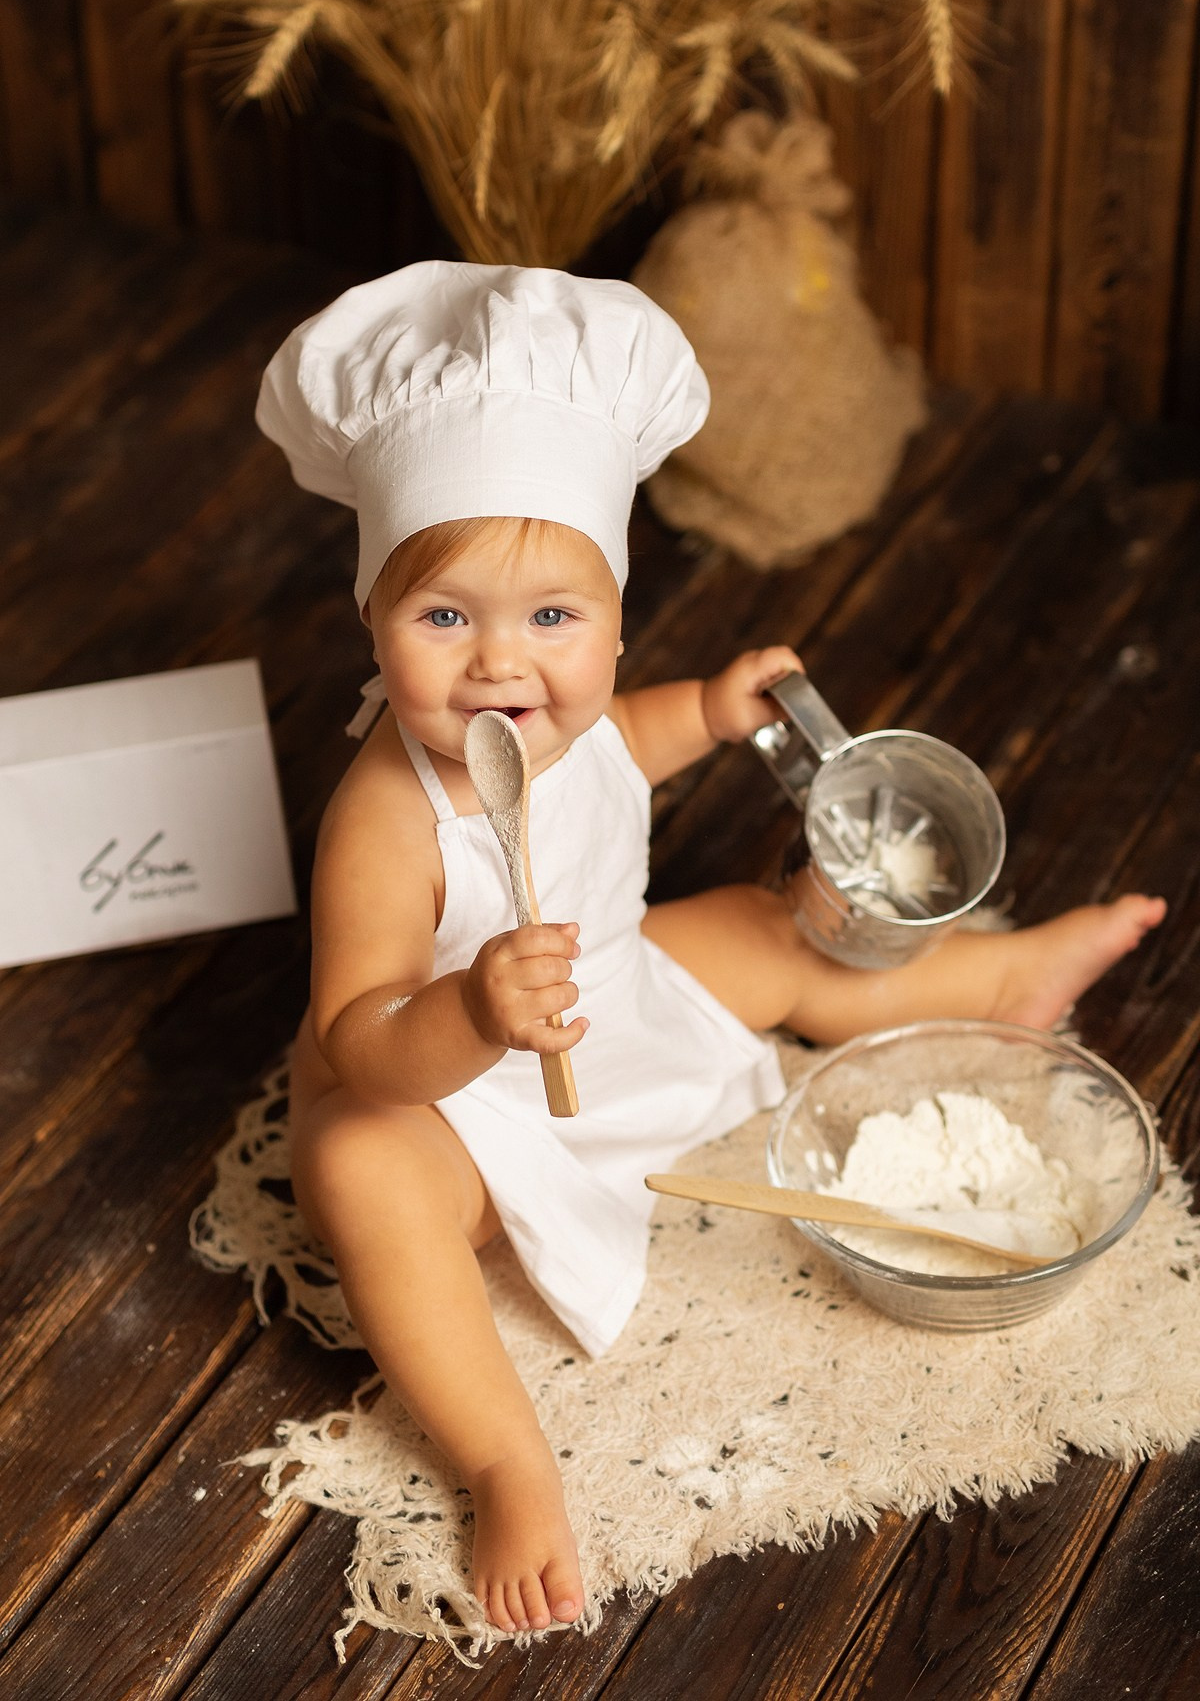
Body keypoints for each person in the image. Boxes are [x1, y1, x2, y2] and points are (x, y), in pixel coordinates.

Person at [256, 262, 1165, 1640]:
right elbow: (355, 1038)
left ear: (616, 620)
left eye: (554, 620)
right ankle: (507, 1460)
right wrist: (470, 1013)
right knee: (352, 1169)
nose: (504, 665)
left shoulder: (586, 716)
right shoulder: (388, 813)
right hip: (448, 1095)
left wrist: (723, 706)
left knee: (762, 923)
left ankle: (993, 980)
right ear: (373, 623)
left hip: (610, 1003)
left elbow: (633, 738)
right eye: (444, 619)